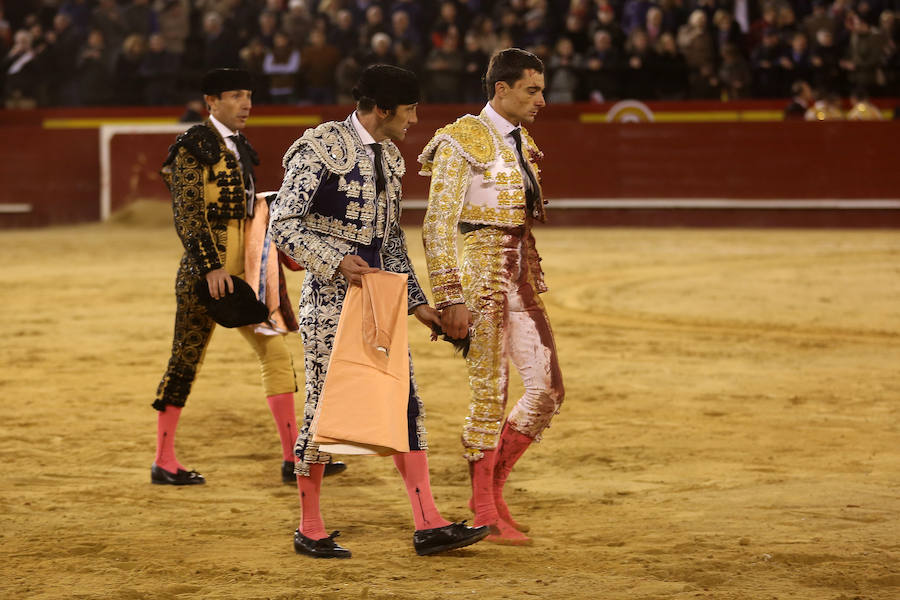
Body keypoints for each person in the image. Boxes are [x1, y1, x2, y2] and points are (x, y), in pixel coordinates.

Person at [269, 64, 489, 559]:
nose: (415, 119)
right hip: (330, 301)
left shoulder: (389, 159)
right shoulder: (319, 148)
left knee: (402, 401)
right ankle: (310, 526)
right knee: (326, 407)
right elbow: (282, 223)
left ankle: (429, 523)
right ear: (384, 108)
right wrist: (331, 261)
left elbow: (389, 242)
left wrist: (418, 304)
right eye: (410, 109)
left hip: (381, 301)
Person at [152, 67, 344, 487]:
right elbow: (187, 212)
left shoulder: (240, 146)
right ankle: (163, 460)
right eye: (236, 95)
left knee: (275, 355)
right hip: (208, 277)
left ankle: (294, 457)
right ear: (211, 102)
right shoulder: (193, 145)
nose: (246, 104)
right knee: (186, 357)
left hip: (247, 274)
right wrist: (210, 266)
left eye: (249, 95)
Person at [418, 48, 565, 546]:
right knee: (489, 393)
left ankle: (495, 493)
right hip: (481, 275)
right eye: (532, 90)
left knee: (546, 390)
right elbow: (436, 225)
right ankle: (482, 511)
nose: (541, 100)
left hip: (520, 270)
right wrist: (448, 295)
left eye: (542, 90)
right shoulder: (462, 139)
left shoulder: (521, 140)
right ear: (500, 89)